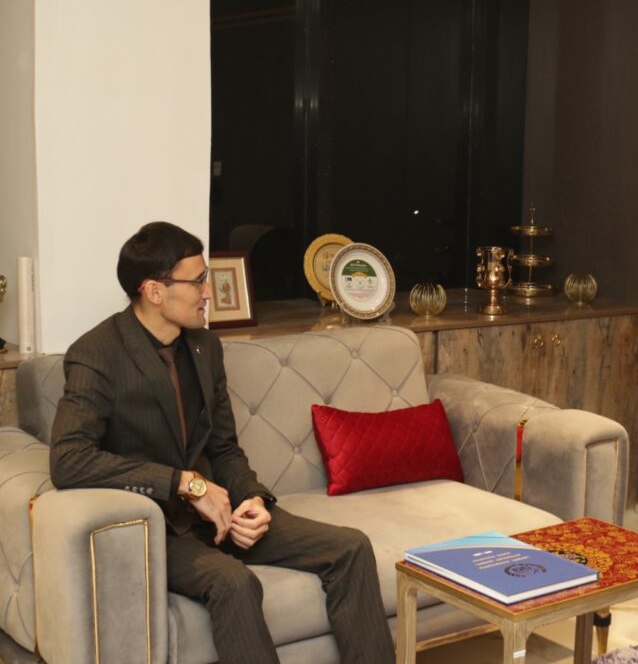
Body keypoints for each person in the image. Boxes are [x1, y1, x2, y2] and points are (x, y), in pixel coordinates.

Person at [49, 222, 394, 664]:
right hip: (159, 526)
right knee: (234, 582)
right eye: (197, 282)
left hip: (224, 511)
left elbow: (224, 447)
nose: (208, 292)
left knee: (350, 547)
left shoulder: (205, 347)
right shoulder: (97, 354)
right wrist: (185, 484)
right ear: (154, 291)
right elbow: (69, 460)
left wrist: (253, 499)